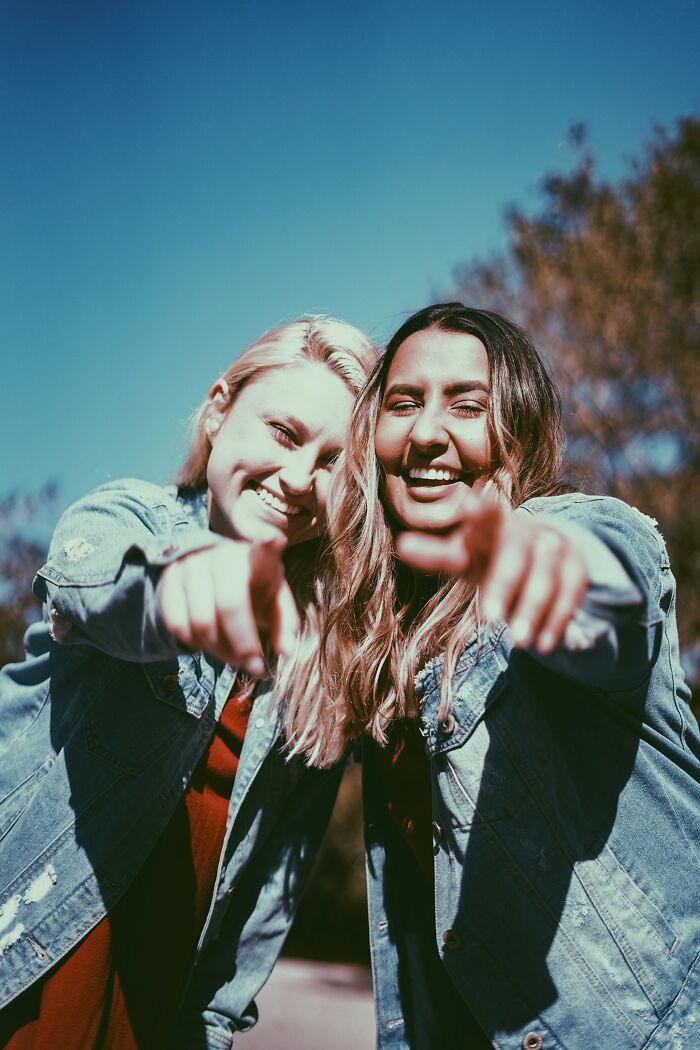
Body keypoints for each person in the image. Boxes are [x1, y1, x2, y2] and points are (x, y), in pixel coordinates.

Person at [307, 303, 700, 1049]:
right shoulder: (392, 650)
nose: (427, 432)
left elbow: (607, 599)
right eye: (403, 403)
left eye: (467, 404)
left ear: (516, 427)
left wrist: (525, 563)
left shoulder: (573, 531)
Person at [0, 317, 377, 1049]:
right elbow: (96, 584)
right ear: (217, 410)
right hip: (27, 977)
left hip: (155, 1017)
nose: (300, 479)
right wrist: (196, 579)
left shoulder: (317, 663)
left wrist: (214, 1025)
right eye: (284, 432)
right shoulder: (129, 516)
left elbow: (269, 890)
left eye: (332, 462)